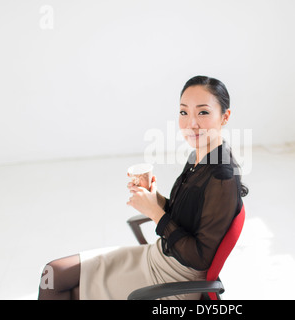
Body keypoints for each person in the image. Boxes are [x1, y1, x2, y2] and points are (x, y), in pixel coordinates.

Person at [38, 75, 248, 300]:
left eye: (203, 112)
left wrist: (155, 213)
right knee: (53, 273)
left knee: (64, 288)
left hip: (176, 277)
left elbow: (199, 258)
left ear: (224, 117)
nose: (191, 123)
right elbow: (188, 218)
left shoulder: (222, 177)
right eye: (184, 112)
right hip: (157, 255)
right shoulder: (200, 155)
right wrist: (154, 197)